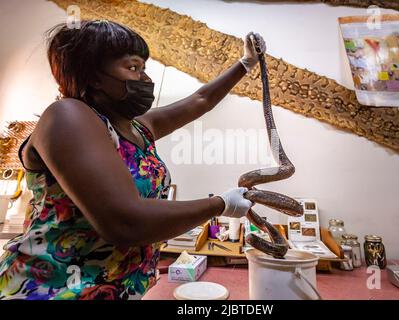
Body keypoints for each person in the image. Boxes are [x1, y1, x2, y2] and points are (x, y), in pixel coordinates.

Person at [0, 20, 266, 300]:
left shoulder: (135, 128)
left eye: (144, 69)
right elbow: (125, 222)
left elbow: (200, 100)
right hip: (52, 290)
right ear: (92, 75)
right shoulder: (68, 116)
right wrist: (220, 204)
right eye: (133, 68)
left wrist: (246, 64)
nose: (145, 80)